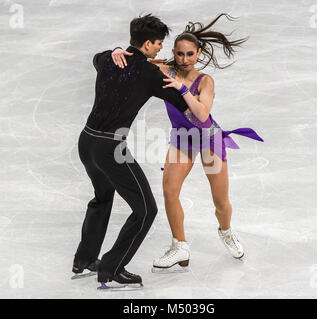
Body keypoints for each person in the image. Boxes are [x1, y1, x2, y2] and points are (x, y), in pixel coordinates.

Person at [112, 13, 263, 273]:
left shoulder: (206, 81)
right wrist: (117, 50)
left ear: (198, 53)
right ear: (173, 52)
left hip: (209, 140)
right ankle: (179, 245)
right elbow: (136, 59)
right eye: (180, 54)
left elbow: (203, 115)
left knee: (220, 202)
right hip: (181, 139)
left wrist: (182, 89)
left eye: (190, 54)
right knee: (170, 192)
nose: (184, 60)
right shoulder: (165, 70)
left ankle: (226, 231)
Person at [72, 14, 194, 290]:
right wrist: (181, 81)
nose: (161, 49)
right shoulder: (150, 74)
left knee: (102, 197)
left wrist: (116, 50)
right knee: (146, 210)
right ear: (149, 44)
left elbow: (97, 57)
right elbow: (184, 105)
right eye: (159, 44)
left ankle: (84, 258)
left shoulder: (108, 59)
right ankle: (111, 267)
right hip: (110, 148)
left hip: (87, 141)